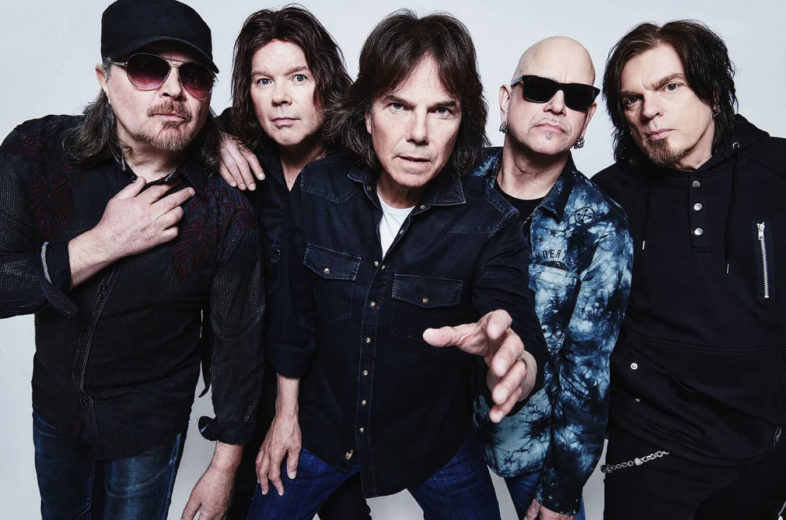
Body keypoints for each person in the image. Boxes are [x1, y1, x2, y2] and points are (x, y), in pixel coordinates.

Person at [246, 10, 548, 519]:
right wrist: (285, 416)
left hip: (430, 442)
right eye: (398, 106)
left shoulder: (491, 221)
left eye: (442, 110)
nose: (419, 133)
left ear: (463, 120)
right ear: (366, 113)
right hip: (320, 431)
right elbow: (293, 322)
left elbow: (516, 324)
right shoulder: (317, 191)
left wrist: (517, 366)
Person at [0, 1, 264, 519]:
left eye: (194, 76)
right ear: (104, 78)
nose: (173, 90)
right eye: (147, 68)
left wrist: (224, 469)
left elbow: (238, 350)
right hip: (55, 411)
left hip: (149, 429)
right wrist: (102, 243)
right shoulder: (37, 152)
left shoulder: (225, 209)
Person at [594, 20, 786, 520]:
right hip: (652, 443)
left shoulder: (778, 171)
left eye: (669, 87)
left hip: (765, 443)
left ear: (713, 92)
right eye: (632, 99)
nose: (649, 111)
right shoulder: (607, 196)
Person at [215, 7, 369, 519]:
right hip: (250, 379)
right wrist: (214, 141)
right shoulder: (241, 153)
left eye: (298, 77)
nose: (280, 97)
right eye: (264, 81)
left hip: (335, 387)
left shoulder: (365, 162)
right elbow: (183, 129)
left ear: (326, 81)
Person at [471, 37, 632, 520]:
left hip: (534, 449)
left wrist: (561, 490)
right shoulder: (458, 178)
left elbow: (588, 374)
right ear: (507, 99)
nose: (558, 105)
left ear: (587, 117)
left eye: (577, 97)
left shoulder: (601, 226)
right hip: (440, 435)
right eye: (540, 88)